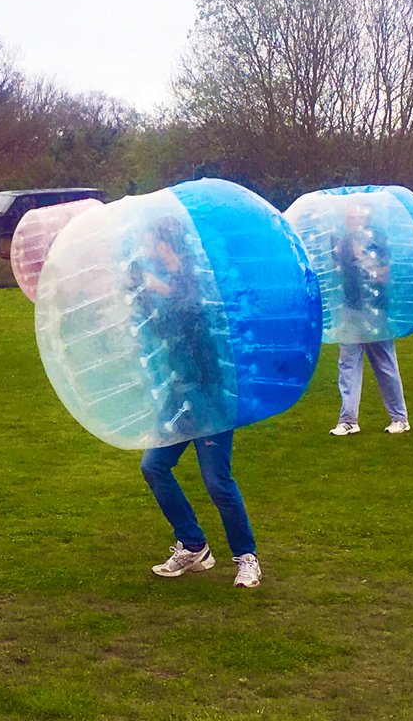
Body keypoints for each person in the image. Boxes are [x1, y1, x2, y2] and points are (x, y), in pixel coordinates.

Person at [130, 221, 261, 587]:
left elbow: (193, 315)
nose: (147, 250)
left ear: (164, 245)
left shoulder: (196, 277)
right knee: (154, 465)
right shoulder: (170, 280)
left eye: (150, 243)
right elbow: (163, 329)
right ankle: (193, 545)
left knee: (217, 481)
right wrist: (141, 295)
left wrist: (159, 289)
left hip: (209, 395)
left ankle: (247, 558)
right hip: (179, 393)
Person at [328, 205, 410, 436]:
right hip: (350, 308)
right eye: (348, 216)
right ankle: (348, 420)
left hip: (375, 312)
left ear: (365, 217)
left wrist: (362, 257)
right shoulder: (343, 241)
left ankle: (400, 418)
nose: (351, 220)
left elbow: (385, 275)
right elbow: (339, 272)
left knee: (384, 364)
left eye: (355, 216)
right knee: (347, 365)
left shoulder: (378, 240)